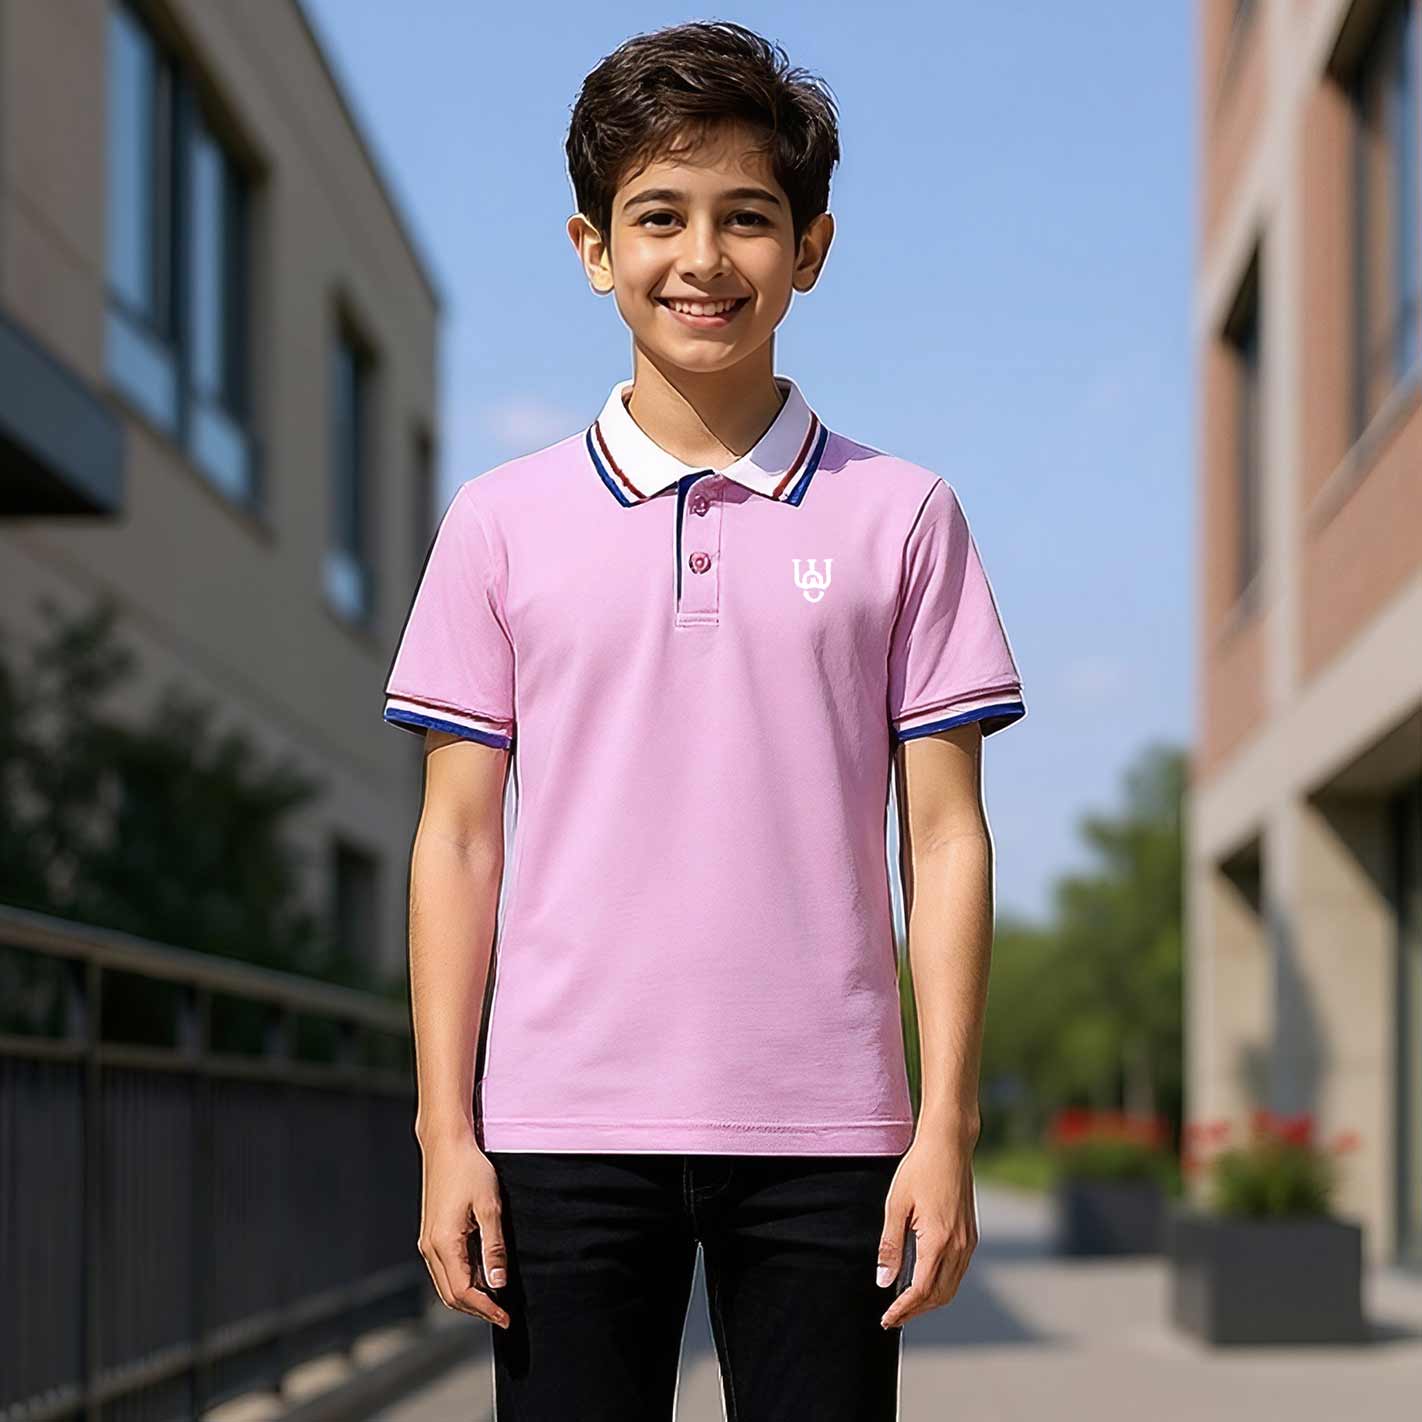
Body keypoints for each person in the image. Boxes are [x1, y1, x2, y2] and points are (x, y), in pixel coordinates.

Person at [382, 19, 1027, 1420]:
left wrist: (946, 1129)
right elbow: (455, 845)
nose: (702, 257)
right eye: (656, 216)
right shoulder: (496, 525)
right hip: (555, 1133)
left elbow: (948, 840)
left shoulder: (903, 514)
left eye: (747, 217)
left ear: (809, 248)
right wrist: (446, 1129)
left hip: (832, 1136)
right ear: (590, 246)